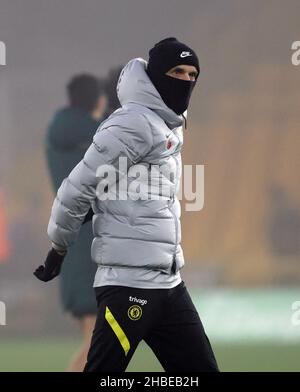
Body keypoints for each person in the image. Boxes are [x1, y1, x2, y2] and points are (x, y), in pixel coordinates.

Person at [35, 37, 219, 372]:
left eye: (193, 74)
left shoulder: (166, 123)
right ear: (157, 75)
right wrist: (58, 248)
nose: (186, 80)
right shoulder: (132, 122)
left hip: (169, 284)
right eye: (178, 71)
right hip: (128, 286)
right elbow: (76, 188)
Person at [44, 74, 107, 371]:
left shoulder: (65, 134)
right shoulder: (80, 131)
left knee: (95, 344)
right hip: (85, 252)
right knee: (98, 345)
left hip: (77, 248)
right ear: (97, 100)